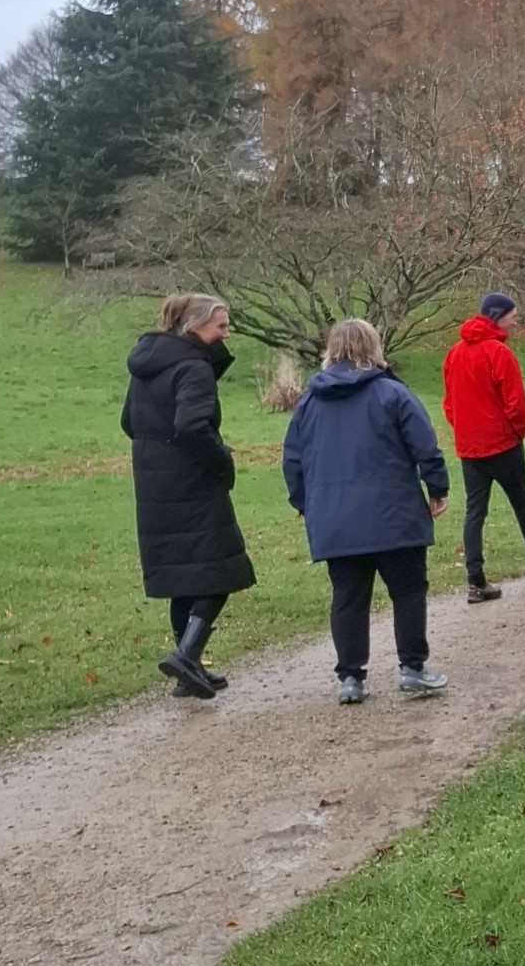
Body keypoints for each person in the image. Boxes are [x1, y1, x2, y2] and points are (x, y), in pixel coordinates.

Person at [282, 319, 451, 706]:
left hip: (335, 518)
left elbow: (292, 459)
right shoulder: (392, 393)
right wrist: (437, 488)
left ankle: (351, 677)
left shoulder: (309, 401)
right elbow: (425, 446)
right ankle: (412, 668)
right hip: (394, 511)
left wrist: (304, 502)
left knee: (348, 596)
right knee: (408, 590)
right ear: (374, 346)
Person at [122, 292, 257, 700]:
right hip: (193, 485)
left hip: (154, 485)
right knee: (221, 571)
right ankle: (186, 655)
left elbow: (129, 421)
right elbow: (193, 426)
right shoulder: (194, 366)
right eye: (221, 325)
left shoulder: (148, 364)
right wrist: (223, 461)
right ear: (195, 327)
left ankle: (188, 667)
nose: (225, 333)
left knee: (185, 577)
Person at [442, 292, 525, 605]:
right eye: (511, 315)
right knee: (521, 500)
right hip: (502, 443)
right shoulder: (498, 352)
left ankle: (475, 580)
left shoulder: (454, 354)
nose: (516, 320)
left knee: (474, 511)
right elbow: (516, 403)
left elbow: (449, 403)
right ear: (497, 315)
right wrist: (515, 434)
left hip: (470, 447)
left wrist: (463, 430)